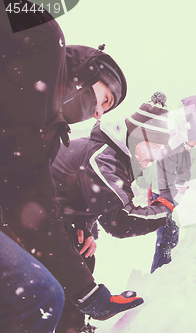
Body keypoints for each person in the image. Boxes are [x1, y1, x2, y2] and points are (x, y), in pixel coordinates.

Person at [1, 1, 143, 330]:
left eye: (106, 111)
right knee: (39, 295)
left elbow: (35, 213)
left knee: (42, 292)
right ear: (89, 73)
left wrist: (89, 293)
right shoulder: (46, 42)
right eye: (104, 100)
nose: (98, 114)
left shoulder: (42, 141)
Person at [50, 92, 178, 330]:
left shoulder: (115, 154)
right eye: (154, 147)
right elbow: (120, 220)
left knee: (81, 257)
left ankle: (70, 325)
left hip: (53, 213)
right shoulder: (105, 158)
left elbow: (81, 194)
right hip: (27, 216)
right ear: (138, 137)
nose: (156, 156)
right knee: (64, 270)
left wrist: (82, 227)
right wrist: (163, 210)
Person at [145, 94, 196, 273]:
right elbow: (166, 182)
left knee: (170, 237)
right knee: (165, 241)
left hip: (171, 196)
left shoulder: (183, 144)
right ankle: (159, 275)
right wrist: (170, 204)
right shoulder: (172, 146)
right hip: (164, 199)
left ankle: (167, 272)